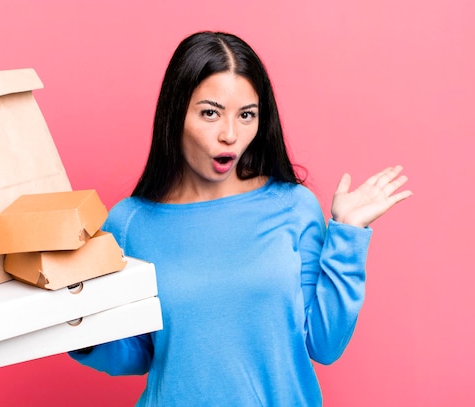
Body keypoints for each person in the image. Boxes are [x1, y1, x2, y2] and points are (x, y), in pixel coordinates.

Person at [69, 31, 412, 406]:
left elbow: (324, 344)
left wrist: (347, 234)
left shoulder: (294, 207)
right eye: (210, 113)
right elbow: (138, 352)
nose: (230, 135)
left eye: (246, 115)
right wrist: (76, 328)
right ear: (175, 113)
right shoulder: (130, 222)